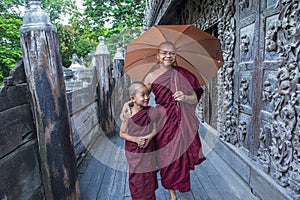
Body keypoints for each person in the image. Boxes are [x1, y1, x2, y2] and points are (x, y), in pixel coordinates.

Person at [122, 41, 206, 200]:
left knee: (178, 157)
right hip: (162, 122)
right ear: (158, 56)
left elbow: (195, 98)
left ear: (175, 56)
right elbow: (141, 95)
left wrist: (185, 97)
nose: (168, 56)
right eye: (164, 53)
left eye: (172, 53)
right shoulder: (151, 76)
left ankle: (172, 195)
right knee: (166, 157)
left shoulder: (183, 74)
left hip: (180, 121)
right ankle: (171, 191)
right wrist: (128, 103)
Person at [119, 81, 159, 200]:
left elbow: (156, 129)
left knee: (149, 178)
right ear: (133, 98)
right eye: (143, 95)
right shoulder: (129, 113)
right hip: (134, 152)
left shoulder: (151, 111)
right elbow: (121, 133)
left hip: (148, 150)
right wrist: (135, 139)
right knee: (137, 180)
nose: (147, 98)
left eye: (148, 94)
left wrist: (149, 137)